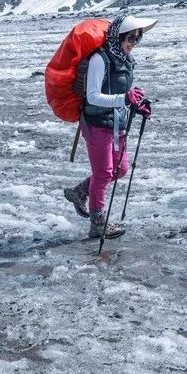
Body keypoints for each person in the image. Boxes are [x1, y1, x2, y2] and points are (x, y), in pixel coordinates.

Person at [64, 13, 156, 238]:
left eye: (137, 39)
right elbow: (94, 96)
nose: (133, 43)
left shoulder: (124, 61)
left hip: (116, 123)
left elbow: (122, 93)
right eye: (130, 38)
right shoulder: (100, 59)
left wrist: (136, 104)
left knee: (120, 169)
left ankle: (80, 191)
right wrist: (124, 99)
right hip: (96, 123)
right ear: (118, 36)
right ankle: (97, 223)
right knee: (104, 173)